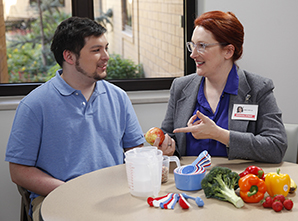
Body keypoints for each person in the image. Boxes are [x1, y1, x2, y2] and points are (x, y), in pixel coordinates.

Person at [4, 17, 173, 220]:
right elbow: (19, 171)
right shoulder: (34, 105)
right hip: (59, 196)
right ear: (69, 56)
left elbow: (134, 152)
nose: (106, 56)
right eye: (96, 50)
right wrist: (70, 190)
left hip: (114, 194)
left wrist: (156, 156)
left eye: (106, 48)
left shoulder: (118, 97)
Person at [161, 11, 287, 163]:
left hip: (237, 183)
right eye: (192, 45)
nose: (193, 54)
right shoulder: (180, 87)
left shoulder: (258, 89)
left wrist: (219, 134)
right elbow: (171, 137)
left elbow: (276, 147)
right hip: (188, 182)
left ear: (228, 51)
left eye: (202, 46)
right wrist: (166, 146)